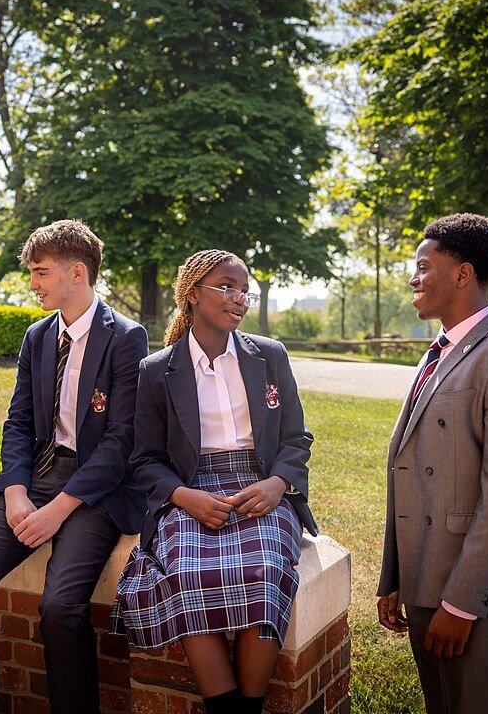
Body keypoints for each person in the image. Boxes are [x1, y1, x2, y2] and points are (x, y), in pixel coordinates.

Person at [0, 219, 149, 713]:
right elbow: (18, 420)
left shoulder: (127, 337)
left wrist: (59, 509)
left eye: (40, 272)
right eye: (31, 272)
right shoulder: (37, 336)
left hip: (96, 487)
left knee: (60, 608)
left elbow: (122, 441)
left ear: (78, 272)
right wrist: (14, 490)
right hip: (35, 476)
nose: (32, 283)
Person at [112, 249, 319, 714]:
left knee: (266, 570)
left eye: (243, 289)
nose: (238, 297)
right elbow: (144, 459)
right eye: (226, 286)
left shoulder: (269, 356)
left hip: (258, 484)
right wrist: (185, 497)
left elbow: (296, 437)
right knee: (185, 573)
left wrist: (278, 484)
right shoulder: (156, 371)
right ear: (192, 294)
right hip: (191, 488)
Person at [377, 213, 488, 713]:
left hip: (482, 595)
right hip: (426, 575)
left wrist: (461, 604)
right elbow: (406, 469)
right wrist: (395, 576)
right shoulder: (437, 352)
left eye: (423, 265)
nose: (413, 277)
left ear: (462, 273)